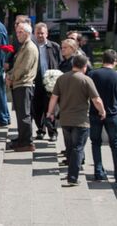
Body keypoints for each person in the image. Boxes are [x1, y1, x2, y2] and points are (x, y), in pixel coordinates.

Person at [47, 55, 106, 186]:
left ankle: (70, 172)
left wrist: (49, 113)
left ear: (73, 64)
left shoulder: (61, 78)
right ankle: (73, 177)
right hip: (80, 121)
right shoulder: (86, 80)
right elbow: (96, 100)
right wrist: (102, 111)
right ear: (84, 66)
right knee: (78, 148)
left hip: (65, 120)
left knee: (70, 148)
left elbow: (53, 97)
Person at [89, 49, 117, 185]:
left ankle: (98, 172)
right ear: (115, 61)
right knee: (116, 144)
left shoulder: (92, 74)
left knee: (95, 143)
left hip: (94, 113)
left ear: (102, 60)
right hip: (112, 115)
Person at [7, 22, 39, 151]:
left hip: (24, 84)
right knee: (21, 114)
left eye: (20, 32)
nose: (17, 35)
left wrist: (11, 77)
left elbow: (24, 68)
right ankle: (22, 138)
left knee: (24, 115)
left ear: (26, 33)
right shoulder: (24, 46)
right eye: (17, 32)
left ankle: (27, 142)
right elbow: (17, 66)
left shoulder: (30, 47)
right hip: (20, 84)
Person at [32, 22, 62, 141]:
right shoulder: (32, 46)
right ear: (34, 34)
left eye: (42, 33)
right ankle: (40, 129)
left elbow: (60, 62)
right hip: (37, 81)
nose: (40, 35)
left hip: (51, 82)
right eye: (38, 33)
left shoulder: (54, 46)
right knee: (37, 107)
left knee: (51, 108)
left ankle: (52, 132)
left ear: (47, 34)